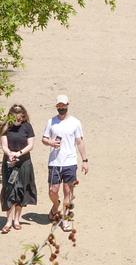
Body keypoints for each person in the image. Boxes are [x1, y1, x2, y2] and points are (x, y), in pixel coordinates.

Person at [42, 95, 88, 232]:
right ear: (56, 106)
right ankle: (56, 205)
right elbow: (44, 138)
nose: (61, 108)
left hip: (70, 161)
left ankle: (65, 219)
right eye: (59, 106)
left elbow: (79, 142)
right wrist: (50, 142)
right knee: (52, 191)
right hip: (55, 162)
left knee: (68, 191)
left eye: (63, 105)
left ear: (68, 104)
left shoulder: (75, 122)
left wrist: (85, 160)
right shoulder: (51, 121)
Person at [1, 105, 37, 234]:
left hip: (24, 163)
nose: (18, 118)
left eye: (20, 115)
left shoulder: (27, 126)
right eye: (15, 115)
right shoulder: (6, 126)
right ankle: (8, 221)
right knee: (9, 190)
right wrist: (10, 153)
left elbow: (31, 145)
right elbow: (4, 145)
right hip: (9, 163)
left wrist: (19, 153)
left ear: (23, 115)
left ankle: (17, 220)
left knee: (21, 189)